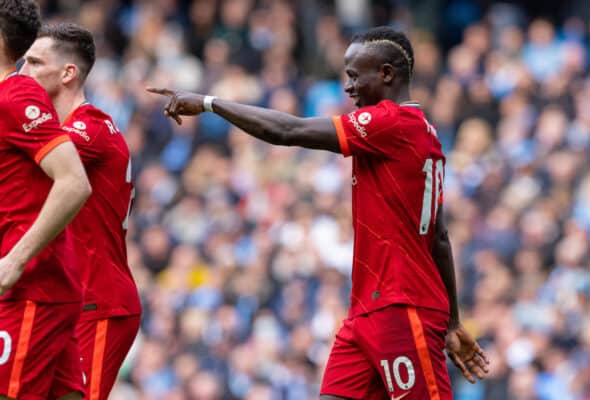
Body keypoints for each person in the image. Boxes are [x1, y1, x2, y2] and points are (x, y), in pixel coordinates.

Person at [148, 26, 489, 399]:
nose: (348, 87)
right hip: (367, 311)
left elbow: (287, 130)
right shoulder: (424, 131)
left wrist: (209, 102)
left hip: (402, 307)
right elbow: (437, 236)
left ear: (387, 74)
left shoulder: (391, 122)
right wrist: (453, 320)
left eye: (355, 76)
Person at [20, 23, 142, 400]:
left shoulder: (90, 128)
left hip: (99, 302)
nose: (22, 74)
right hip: (68, 301)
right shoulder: (58, 132)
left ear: (68, 73)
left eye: (34, 63)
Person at [0, 2, 92, 400]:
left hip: (28, 286)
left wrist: (14, 260)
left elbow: (74, 183)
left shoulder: (16, 93)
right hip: (44, 286)